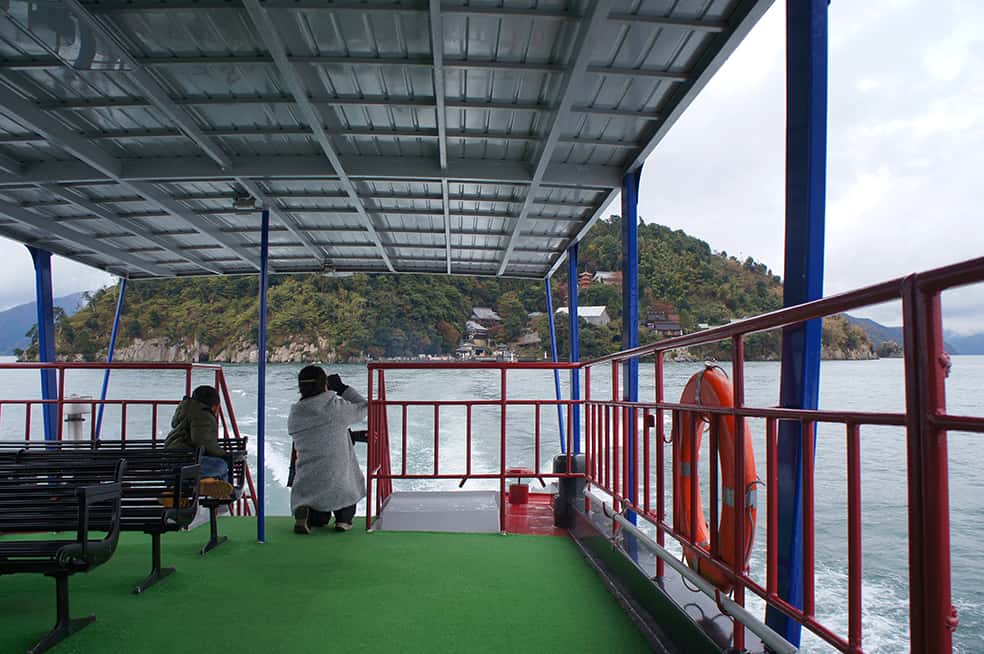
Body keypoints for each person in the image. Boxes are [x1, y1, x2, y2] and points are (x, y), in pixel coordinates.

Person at [288, 365, 368, 534]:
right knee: (346, 491)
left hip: (308, 484)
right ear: (325, 385)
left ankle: (308, 516)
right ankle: (343, 521)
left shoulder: (296, 414)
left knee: (319, 516)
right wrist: (342, 388)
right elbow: (365, 407)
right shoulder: (335, 408)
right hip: (338, 483)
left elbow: (320, 435)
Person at [164, 385, 234, 499]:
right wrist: (224, 455)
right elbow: (202, 442)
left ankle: (203, 485)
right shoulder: (203, 414)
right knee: (222, 465)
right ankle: (213, 491)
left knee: (218, 467)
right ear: (215, 407)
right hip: (185, 461)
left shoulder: (185, 411)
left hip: (170, 461)